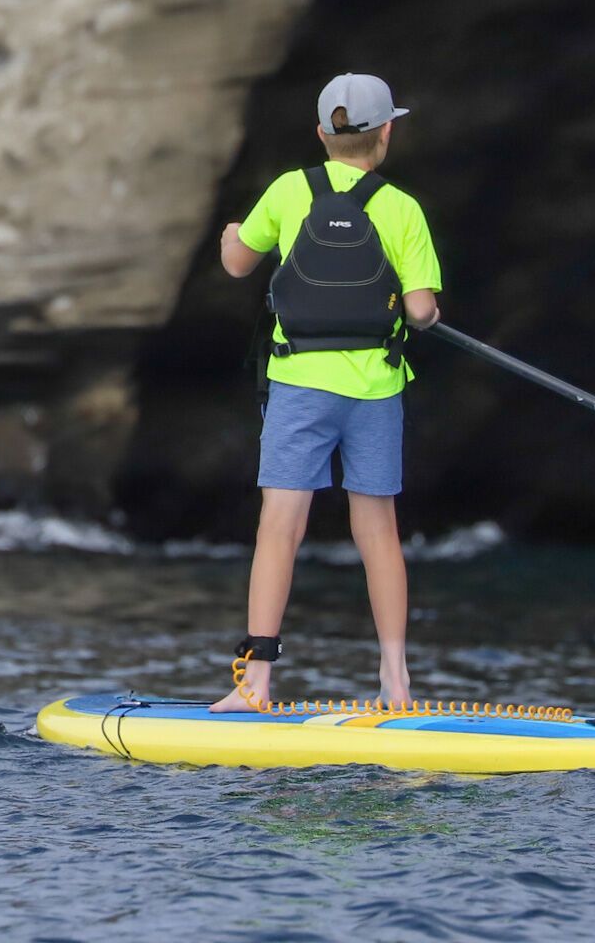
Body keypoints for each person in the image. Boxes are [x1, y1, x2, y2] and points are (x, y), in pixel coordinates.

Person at [210, 73, 442, 712]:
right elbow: (421, 310)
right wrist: (427, 314)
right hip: (374, 390)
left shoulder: (290, 190)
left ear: (321, 134)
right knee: (378, 532)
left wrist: (232, 235)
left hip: (299, 385)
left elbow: (237, 262)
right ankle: (395, 681)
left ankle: (256, 681)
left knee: (280, 527)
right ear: (386, 133)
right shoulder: (401, 207)